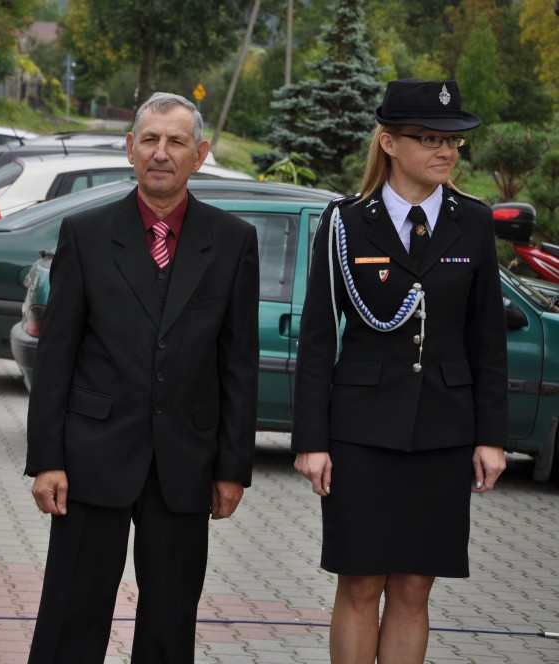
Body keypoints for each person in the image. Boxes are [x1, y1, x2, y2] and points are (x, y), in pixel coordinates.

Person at [25, 92, 260, 663]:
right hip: (91, 458)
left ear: (199, 154)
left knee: (170, 619)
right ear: (129, 149)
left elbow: (239, 364)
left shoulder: (232, 242)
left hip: (185, 464)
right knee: (72, 613)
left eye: (176, 141)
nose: (161, 153)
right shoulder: (85, 235)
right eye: (150, 140)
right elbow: (56, 358)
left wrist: (233, 469)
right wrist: (46, 459)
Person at [291, 79, 508, 664]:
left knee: (414, 587)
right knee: (360, 583)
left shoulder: (474, 222)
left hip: (443, 429)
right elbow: (316, 340)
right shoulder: (345, 223)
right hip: (361, 431)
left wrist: (490, 436)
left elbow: (486, 341)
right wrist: (311, 441)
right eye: (428, 138)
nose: (444, 151)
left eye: (453, 141)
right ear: (388, 141)